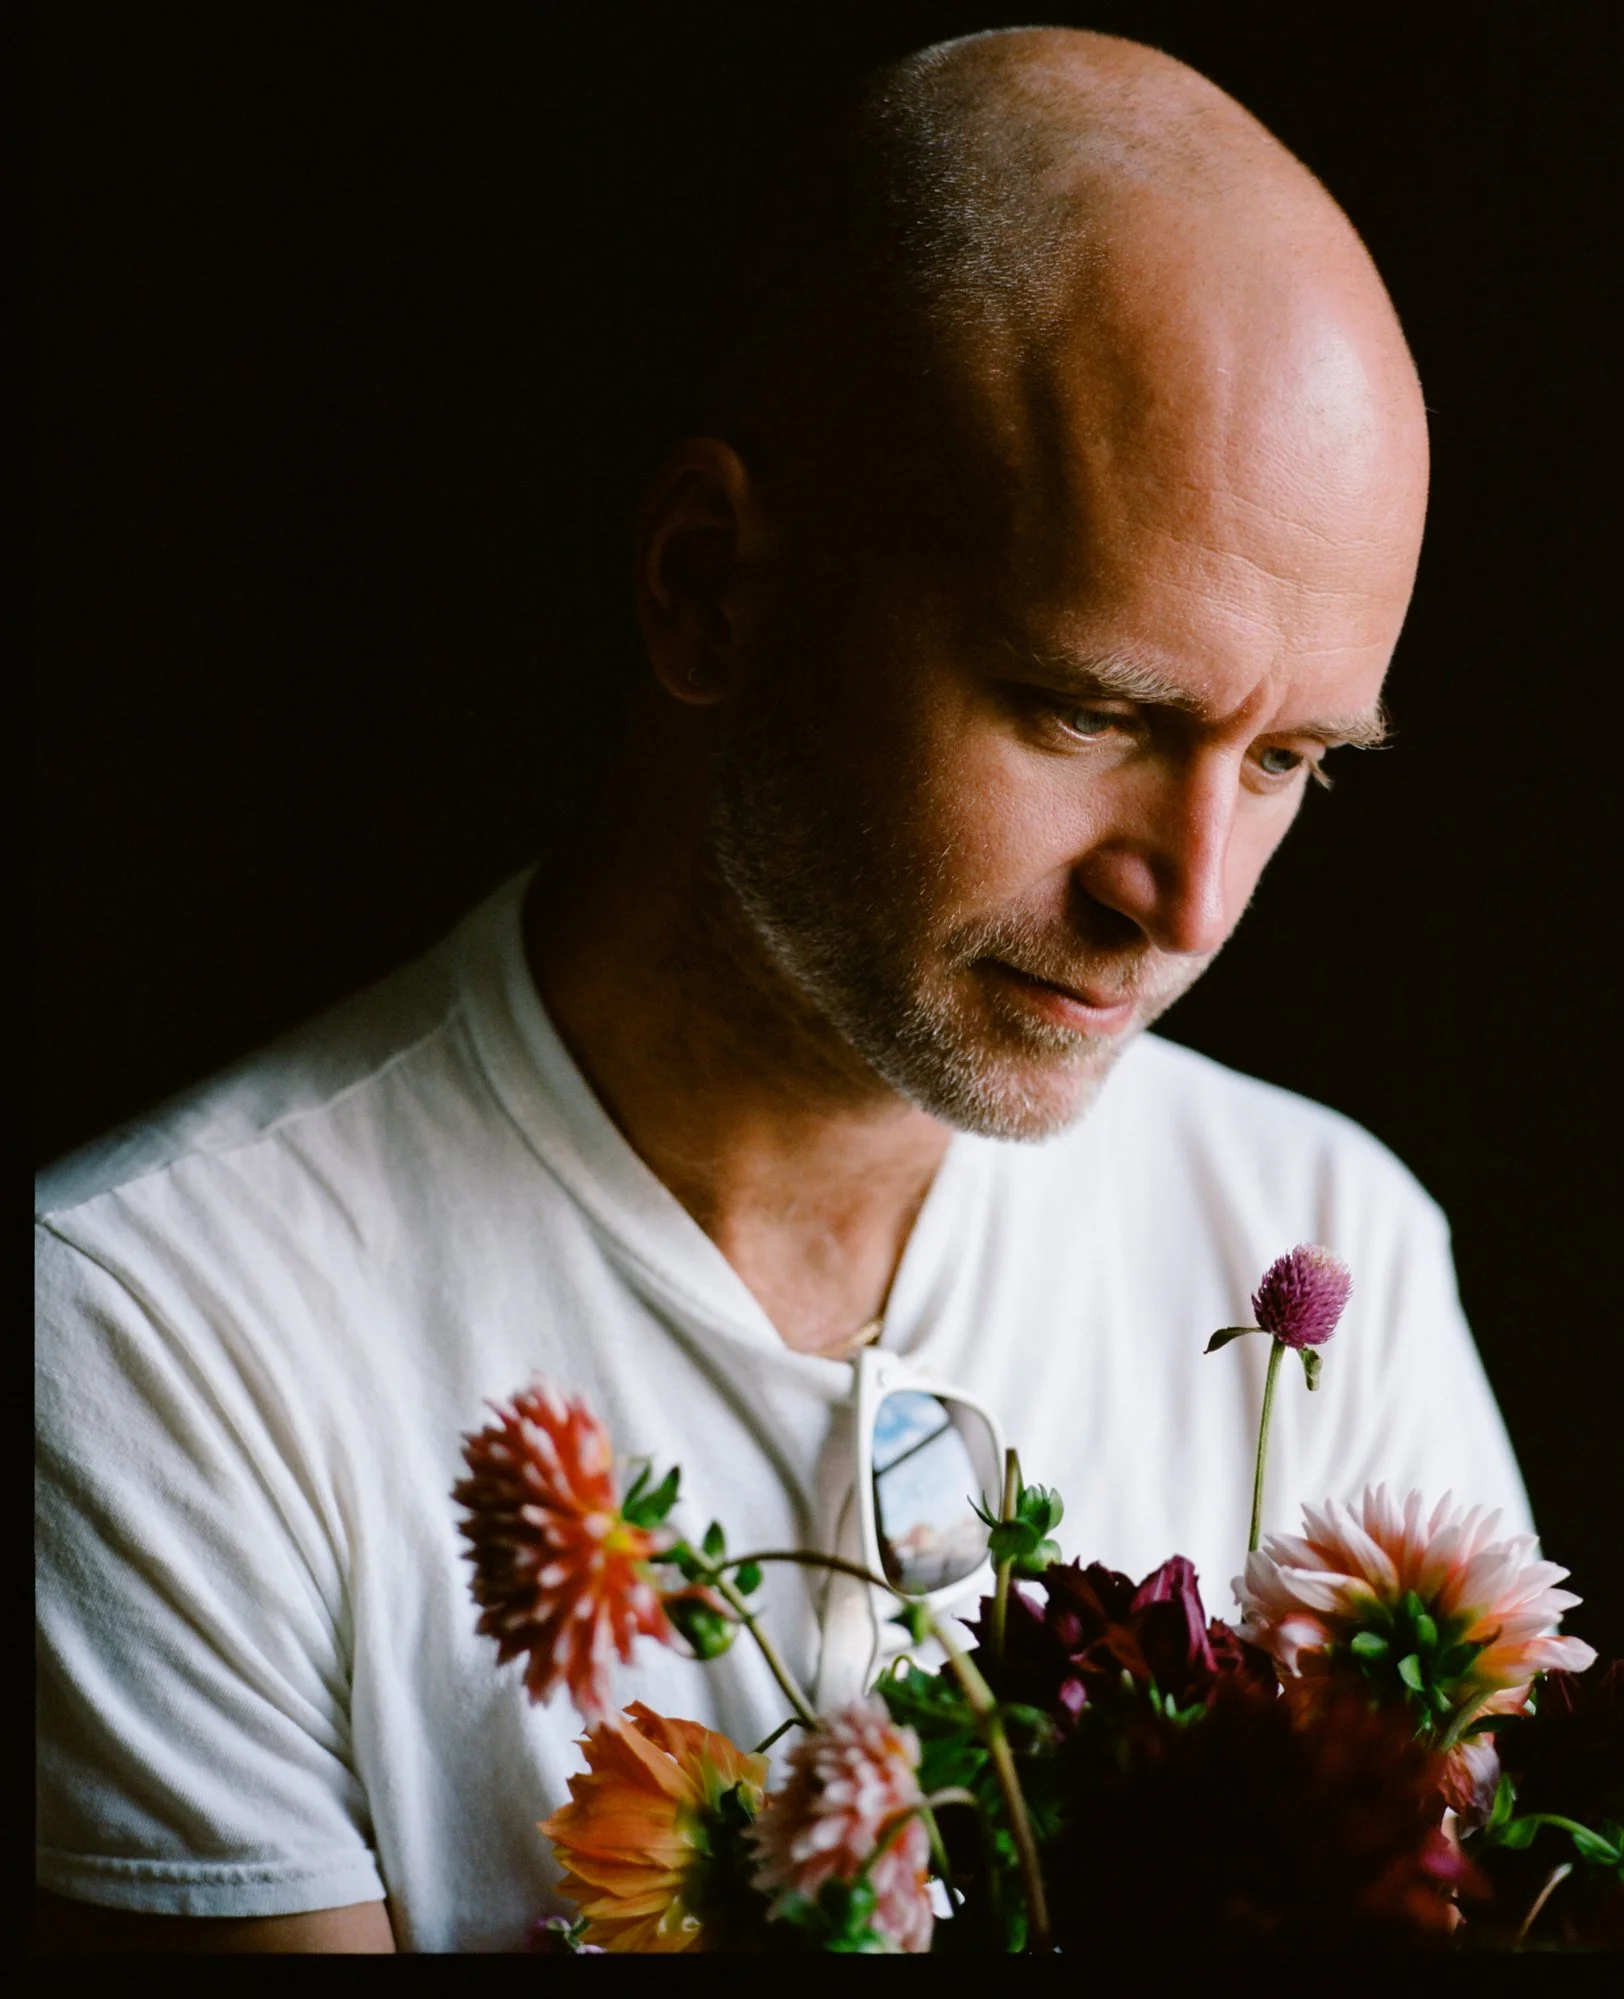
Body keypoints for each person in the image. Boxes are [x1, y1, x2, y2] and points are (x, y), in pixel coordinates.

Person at [35, 27, 1530, 1954]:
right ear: (708, 588)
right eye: (1085, 708)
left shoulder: (1330, 1251)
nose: (1187, 898)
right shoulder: (162, 1343)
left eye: (1286, 761)